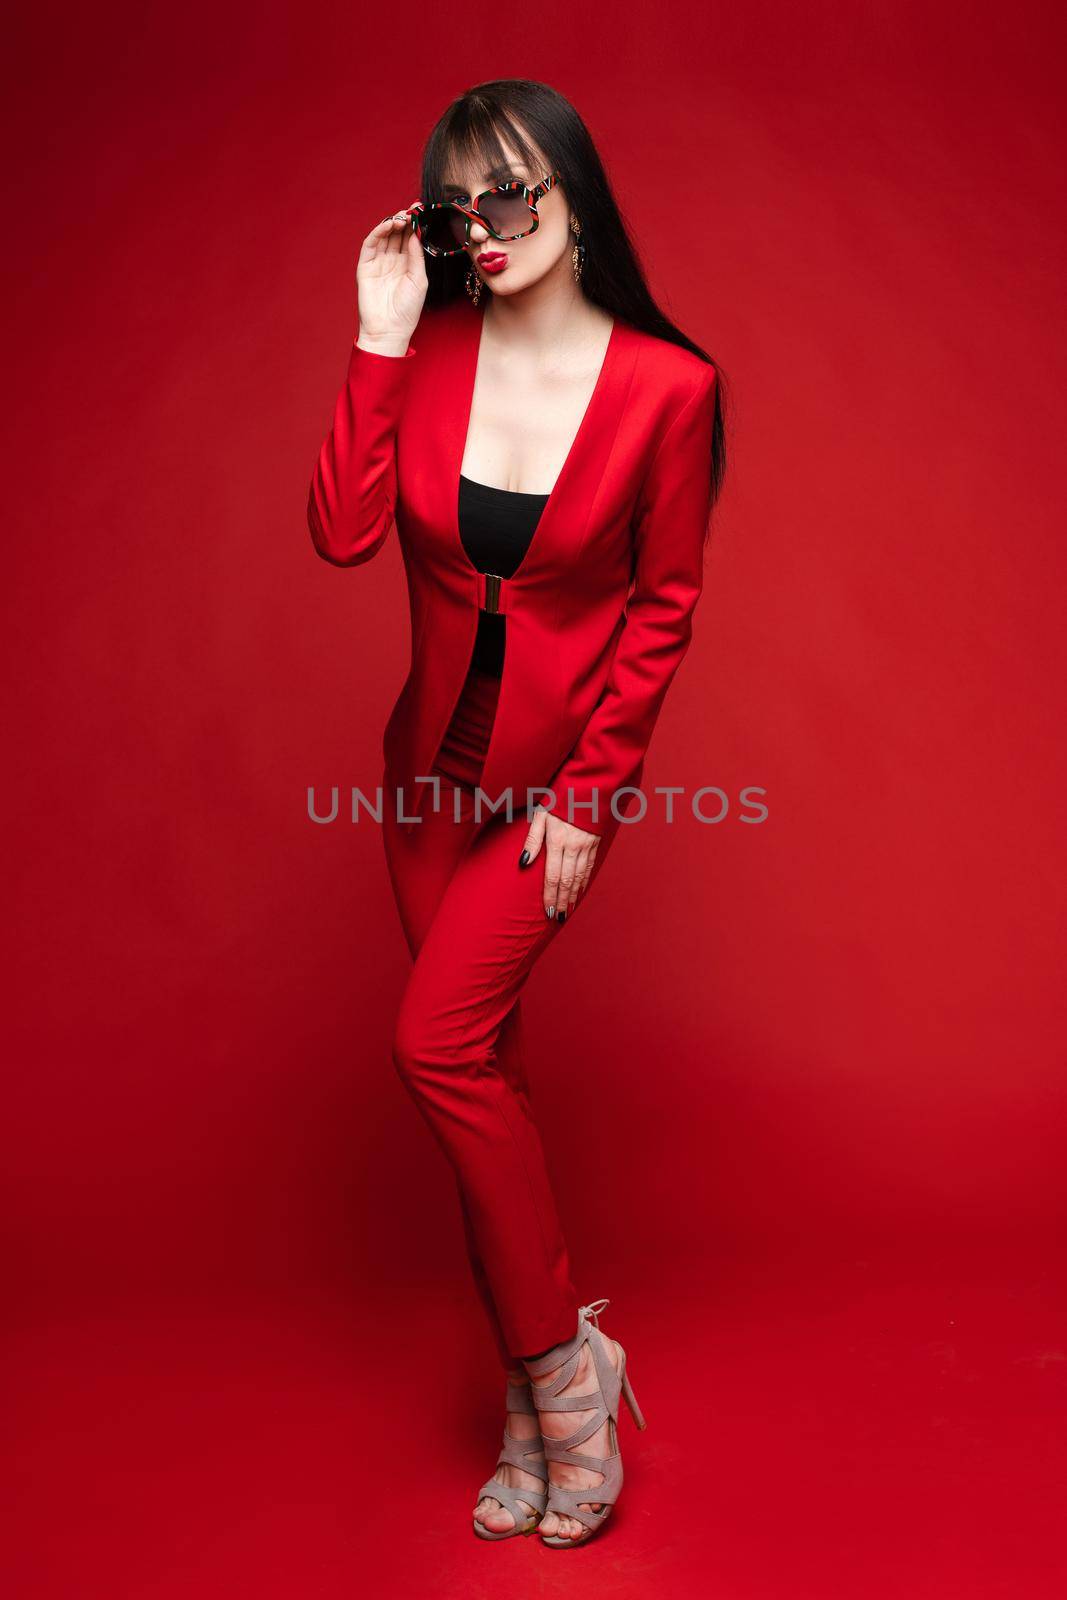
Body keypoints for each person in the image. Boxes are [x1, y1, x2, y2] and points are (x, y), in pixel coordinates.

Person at [307, 78, 726, 1548]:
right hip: (425, 781)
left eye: (511, 195)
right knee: (494, 1085)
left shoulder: (672, 389)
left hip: (547, 797)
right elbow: (344, 532)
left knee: (434, 1049)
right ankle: (542, 1394)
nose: (484, 228)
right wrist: (374, 334)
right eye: (457, 204)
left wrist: (595, 804)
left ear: (575, 198)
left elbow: (661, 613)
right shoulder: (427, 355)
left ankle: (561, 1375)